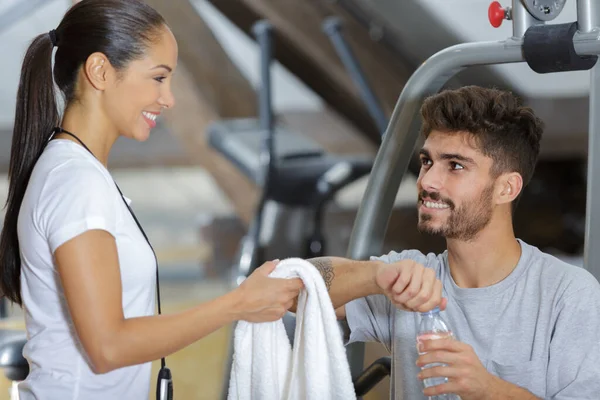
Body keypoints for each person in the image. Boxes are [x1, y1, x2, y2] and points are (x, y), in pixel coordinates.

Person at [0, 1, 302, 399]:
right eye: (158, 78)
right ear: (100, 71)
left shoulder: (77, 173)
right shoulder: (75, 181)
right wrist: (237, 304)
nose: (169, 98)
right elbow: (108, 347)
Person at [300, 86, 600, 399]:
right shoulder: (410, 279)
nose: (427, 181)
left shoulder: (568, 294)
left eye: (455, 166)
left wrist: (488, 389)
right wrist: (374, 277)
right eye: (427, 162)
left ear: (507, 188)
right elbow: (295, 288)